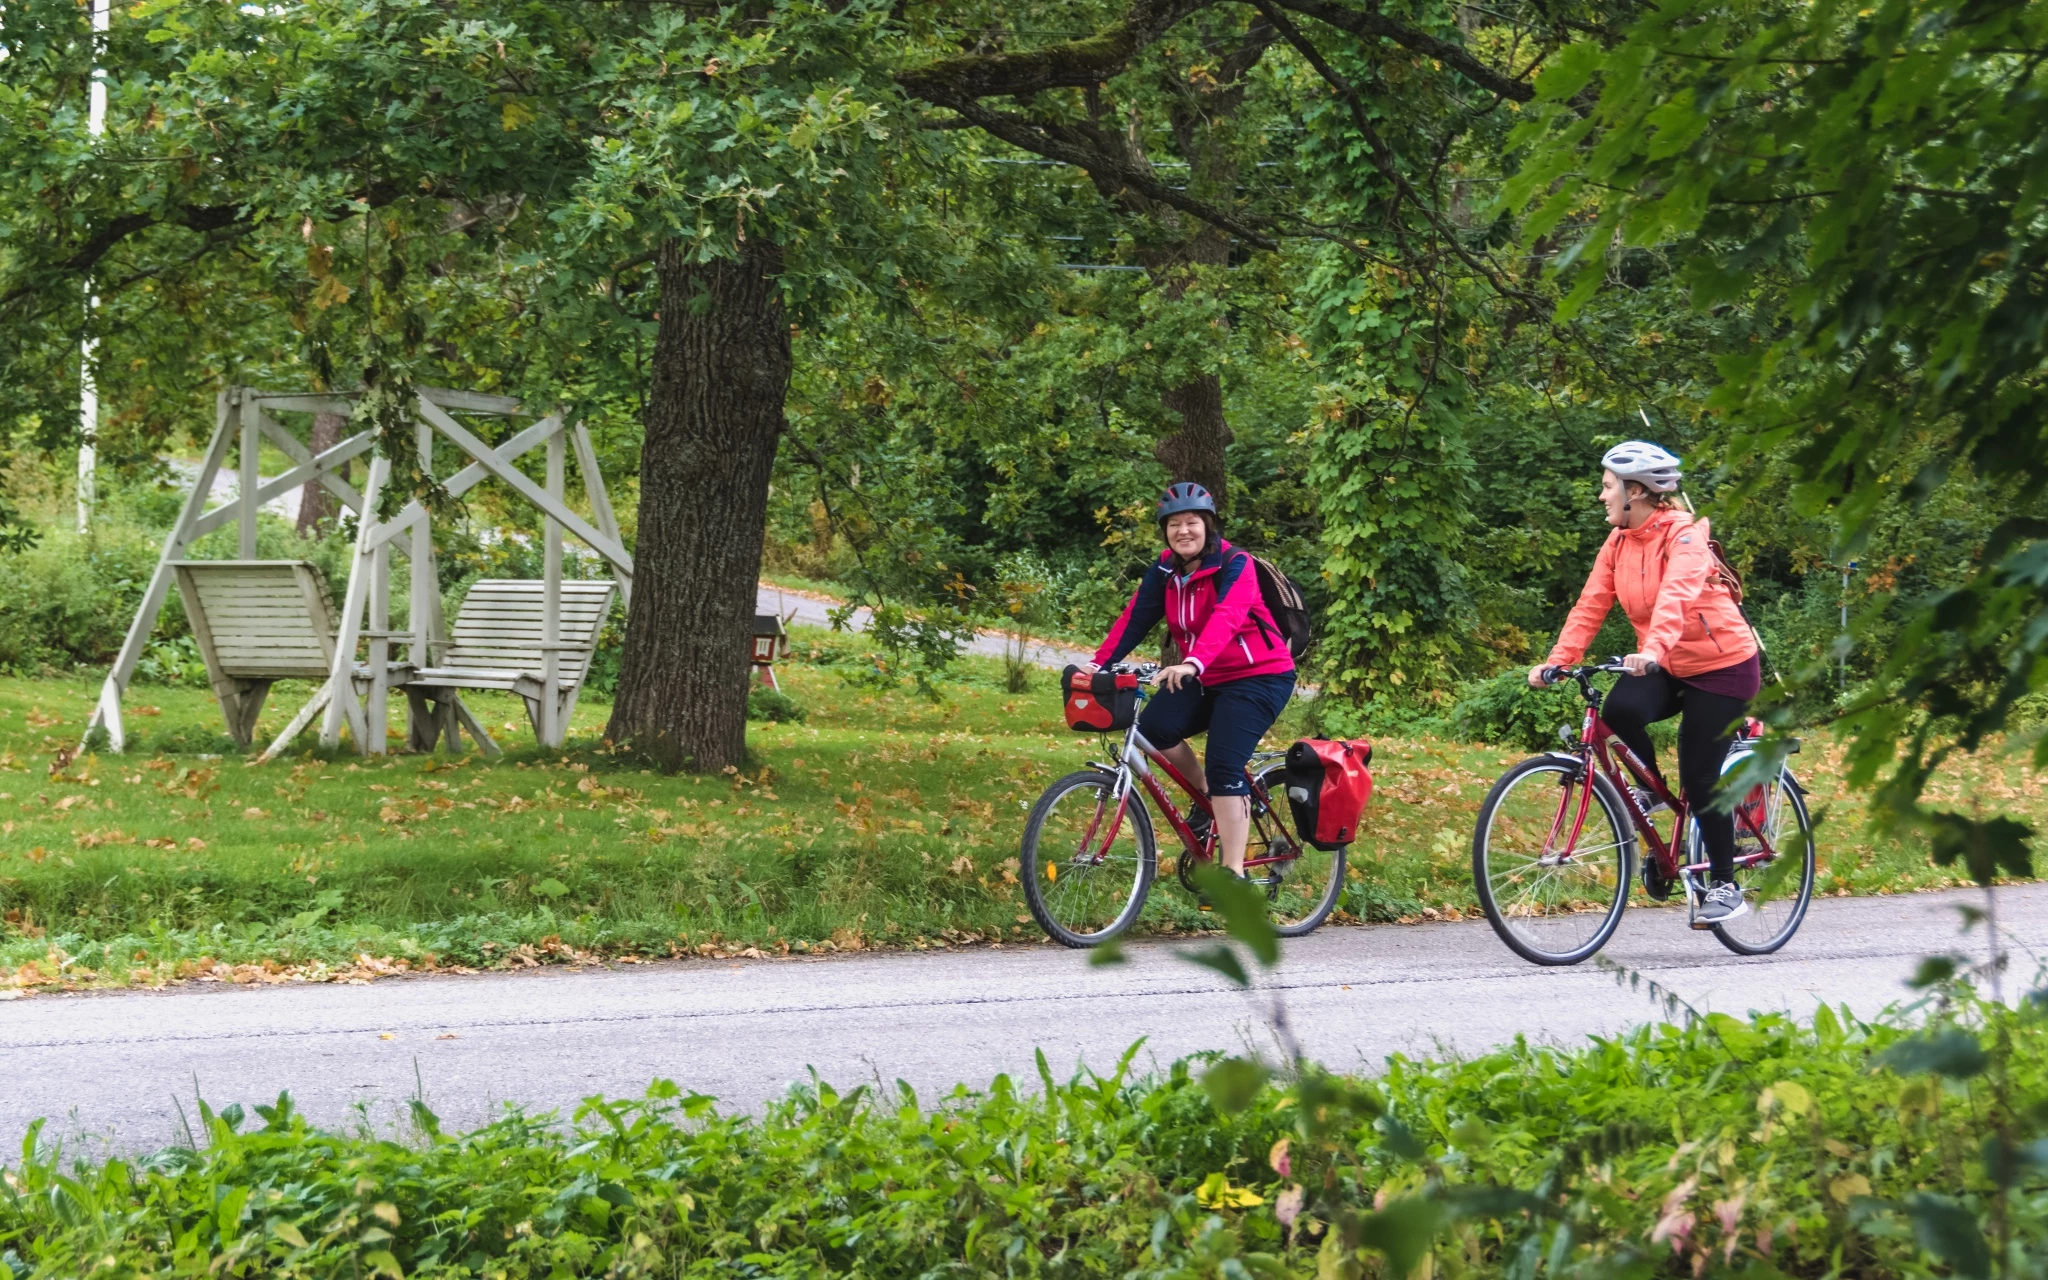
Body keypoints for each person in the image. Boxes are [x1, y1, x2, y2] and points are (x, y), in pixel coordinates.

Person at [1530, 441, 1761, 926]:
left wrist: (1653, 651)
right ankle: (1651, 791)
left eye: (1607, 486)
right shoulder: (1617, 543)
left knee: (1699, 776)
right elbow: (1590, 605)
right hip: (1669, 663)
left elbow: (1676, 598)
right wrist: (1558, 661)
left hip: (1724, 667)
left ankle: (1724, 884)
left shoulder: (1685, 537)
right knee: (1617, 714)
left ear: (1636, 492)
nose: (1602, 496)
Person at [1081, 482, 1297, 876]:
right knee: (1155, 728)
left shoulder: (1236, 564)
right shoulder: (1165, 569)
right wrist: (1100, 664)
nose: (1183, 530)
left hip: (1259, 676)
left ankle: (1233, 872)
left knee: (1224, 766)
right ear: (1165, 530)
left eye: (1192, 522)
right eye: (1174, 524)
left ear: (1208, 526)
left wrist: (1193, 662)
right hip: (1206, 673)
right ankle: (1206, 799)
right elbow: (1135, 619)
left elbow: (1228, 617)